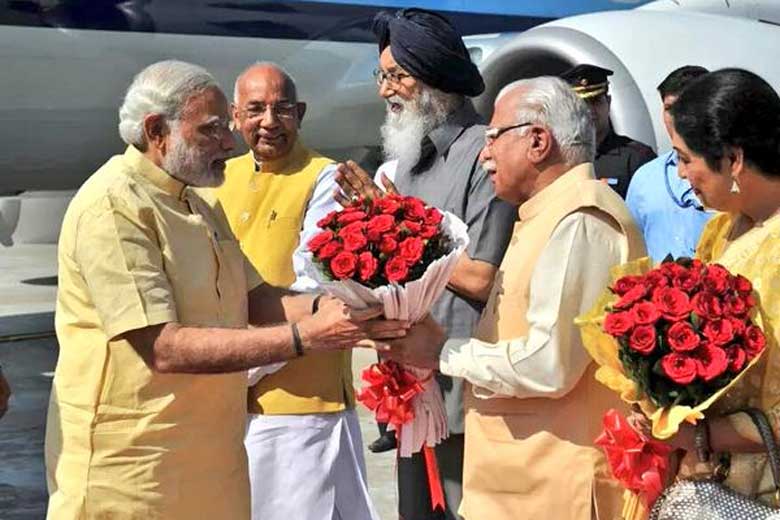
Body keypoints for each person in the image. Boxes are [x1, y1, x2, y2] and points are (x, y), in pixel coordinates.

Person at [44, 60, 407, 519]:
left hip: (212, 463)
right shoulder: (115, 207)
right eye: (212, 129)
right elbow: (164, 348)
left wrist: (347, 308)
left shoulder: (195, 202)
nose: (230, 141)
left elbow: (257, 298)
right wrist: (306, 338)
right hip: (137, 471)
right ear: (158, 131)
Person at [378, 77, 647, 519]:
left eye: (493, 138)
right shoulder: (547, 214)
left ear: (538, 141)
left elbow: (549, 365)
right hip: (522, 483)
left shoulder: (581, 220)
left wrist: (442, 351)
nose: (485, 153)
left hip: (556, 489)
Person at [334, 8, 517, 520]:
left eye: (398, 75)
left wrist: (395, 220)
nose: (384, 90)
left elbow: (481, 278)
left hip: (465, 397)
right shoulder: (409, 161)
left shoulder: (484, 154)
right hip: (409, 394)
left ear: (435, 77)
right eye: (382, 75)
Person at [215, 62, 377, 520]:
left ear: (300, 113)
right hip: (226, 403)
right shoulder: (217, 181)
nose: (269, 121)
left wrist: (236, 364)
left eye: (282, 108)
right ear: (234, 115)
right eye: (255, 109)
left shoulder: (326, 179)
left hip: (300, 408)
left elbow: (316, 289)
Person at [637, 68, 780, 504]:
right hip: (707, 482)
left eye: (684, 158)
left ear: (732, 159)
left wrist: (699, 434)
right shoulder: (720, 231)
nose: (679, 174)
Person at [626, 65, 712, 262]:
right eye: (669, 109)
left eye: (685, 108)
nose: (677, 119)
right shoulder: (645, 178)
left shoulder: (730, 177)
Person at [561, 64, 656, 198]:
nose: (589, 110)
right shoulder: (560, 160)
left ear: (609, 102)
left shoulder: (636, 158)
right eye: (582, 103)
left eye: (595, 101)